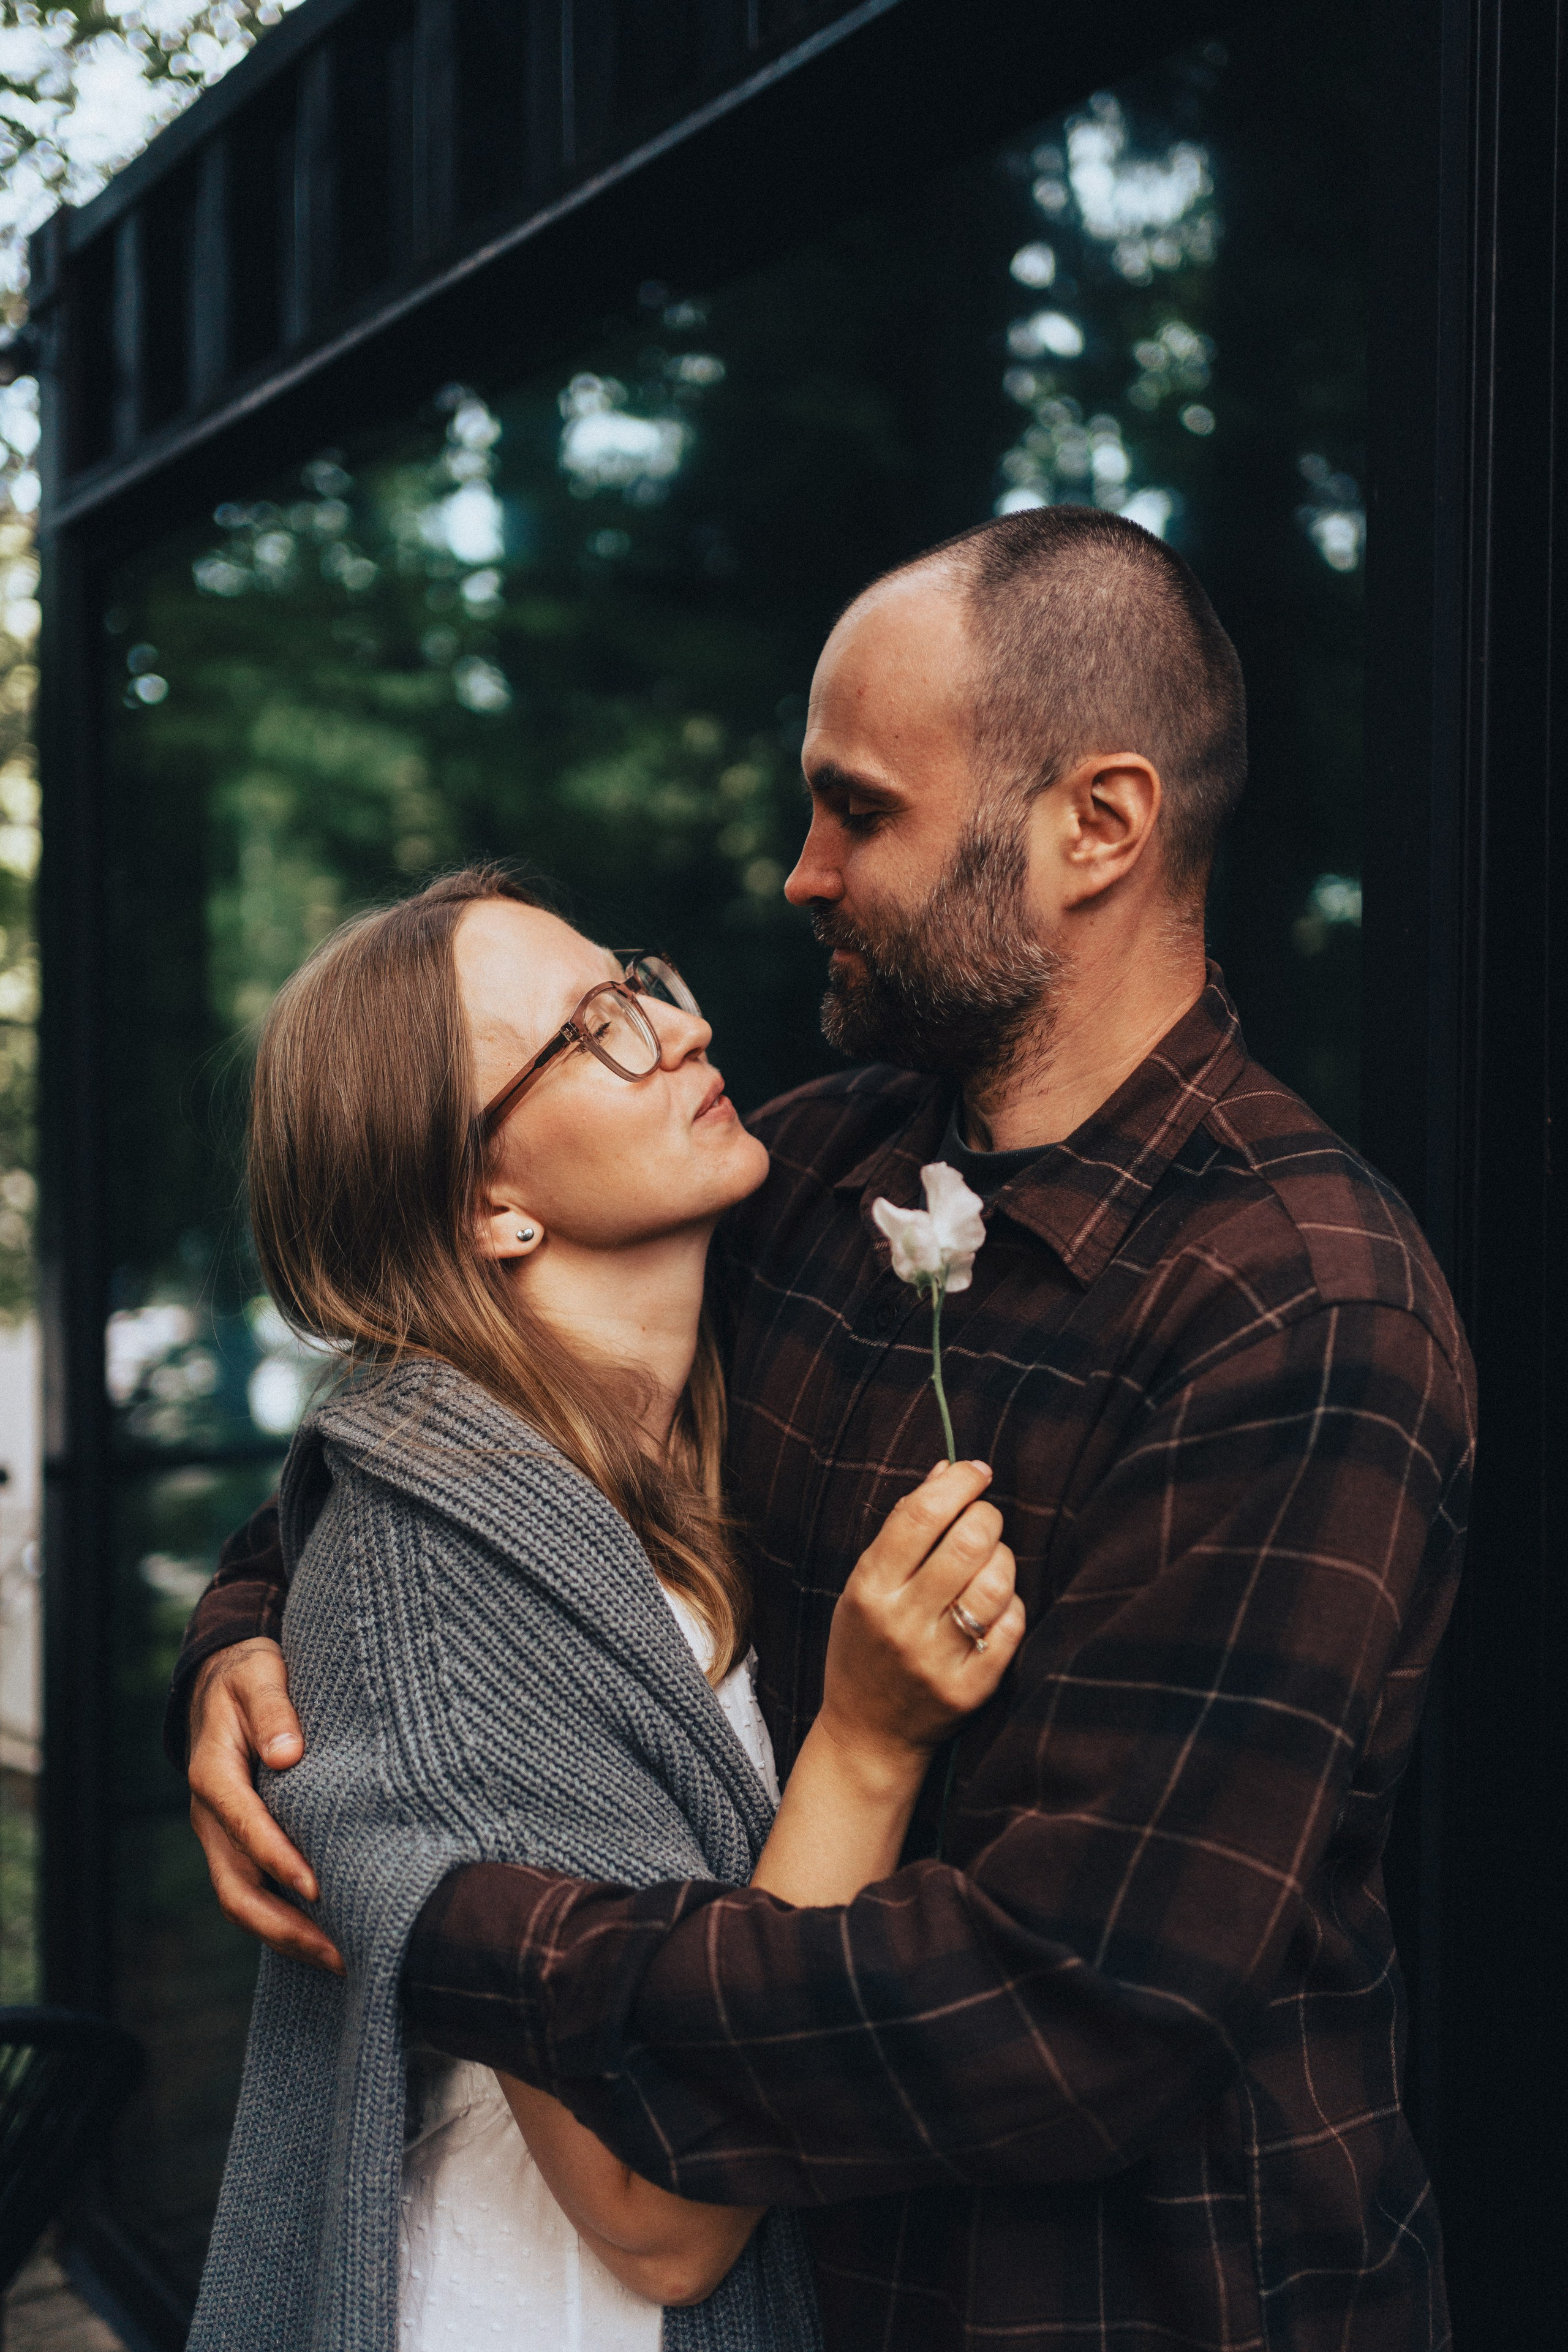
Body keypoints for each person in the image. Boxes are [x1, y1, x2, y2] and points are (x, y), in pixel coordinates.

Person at [173, 506, 1475, 2352]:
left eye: (858, 808)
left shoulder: (1294, 1309)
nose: (800, 873)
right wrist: (248, 1641)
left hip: (1134, 2304)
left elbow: (1073, 2010)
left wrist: (429, 1912)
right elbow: (460, 1445)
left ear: (1098, 826)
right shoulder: (811, 1179)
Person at [187, 870, 1025, 2352]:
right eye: (592, 1030)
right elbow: (659, 2215)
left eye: (636, 978)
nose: (678, 1027)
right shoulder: (448, 1569)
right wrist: (868, 1741)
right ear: (487, 1207)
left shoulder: (668, 1437)